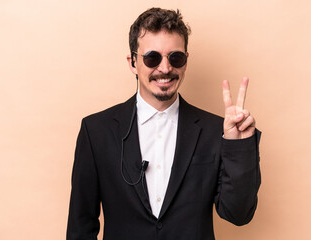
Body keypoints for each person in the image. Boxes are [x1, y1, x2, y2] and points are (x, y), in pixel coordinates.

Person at [67, 7, 261, 240]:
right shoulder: (96, 131)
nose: (165, 68)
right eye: (152, 58)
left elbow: (238, 215)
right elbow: (81, 227)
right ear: (133, 63)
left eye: (175, 57)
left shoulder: (215, 132)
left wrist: (238, 147)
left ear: (186, 61)